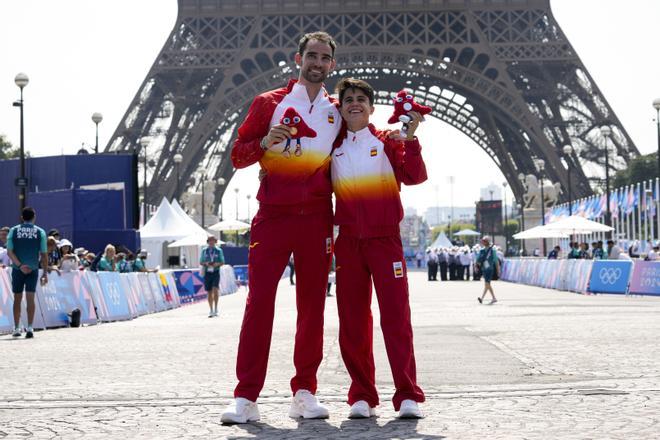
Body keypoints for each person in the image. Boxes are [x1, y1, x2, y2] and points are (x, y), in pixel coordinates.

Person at [221, 31, 342, 425]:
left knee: (312, 308)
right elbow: (237, 156)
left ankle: (304, 391)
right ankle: (246, 396)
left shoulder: (338, 111)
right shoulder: (267, 103)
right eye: (312, 55)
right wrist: (263, 145)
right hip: (273, 217)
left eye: (324, 57)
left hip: (317, 219)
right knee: (260, 305)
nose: (317, 62)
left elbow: (365, 145)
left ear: (332, 65)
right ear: (298, 58)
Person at [331, 78, 426, 419]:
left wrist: (412, 140)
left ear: (372, 108)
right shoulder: (331, 146)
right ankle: (362, 394)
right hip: (349, 244)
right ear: (339, 109)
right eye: (348, 100)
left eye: (361, 99)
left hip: (385, 241)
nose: (354, 103)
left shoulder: (388, 142)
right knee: (353, 321)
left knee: (396, 319)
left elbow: (414, 177)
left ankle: (407, 394)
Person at [6, 207, 49, 339]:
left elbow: (9, 252)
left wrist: (19, 265)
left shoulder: (13, 231)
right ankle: (30, 327)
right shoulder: (40, 232)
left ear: (22, 217)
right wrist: (45, 272)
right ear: (34, 217)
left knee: (17, 299)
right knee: (30, 298)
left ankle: (17, 328)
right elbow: (44, 254)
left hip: (18, 269)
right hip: (33, 269)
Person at [200, 235, 224, 318]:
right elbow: (201, 262)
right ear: (208, 241)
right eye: (210, 240)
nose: (211, 242)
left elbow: (222, 261)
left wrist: (217, 264)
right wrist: (206, 263)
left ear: (215, 241)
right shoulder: (204, 251)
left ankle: (216, 308)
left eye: (213, 240)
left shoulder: (219, 250)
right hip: (207, 272)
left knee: (215, 290)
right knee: (209, 292)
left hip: (216, 272)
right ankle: (211, 310)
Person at [476, 236, 499, 305]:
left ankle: (484, 298)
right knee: (487, 284)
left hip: (490, 269)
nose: (483, 242)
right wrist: (476, 266)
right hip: (484, 269)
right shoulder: (481, 250)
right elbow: (478, 259)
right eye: (483, 241)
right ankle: (492, 298)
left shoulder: (493, 251)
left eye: (484, 241)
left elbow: (496, 261)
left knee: (487, 283)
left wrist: (498, 270)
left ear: (487, 242)